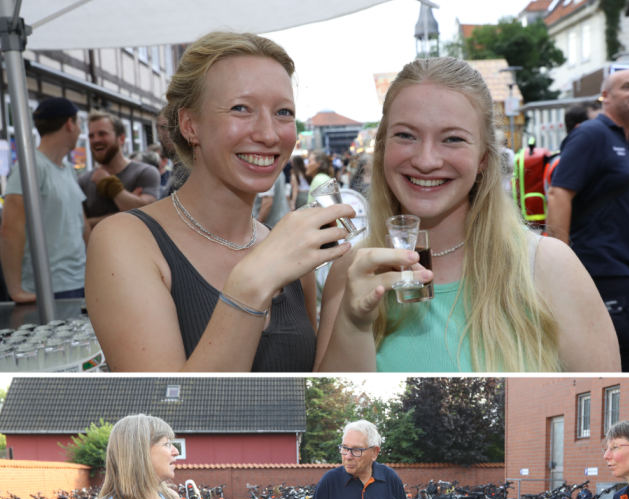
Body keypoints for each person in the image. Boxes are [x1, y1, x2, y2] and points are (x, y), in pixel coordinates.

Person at [84, 31, 365, 372]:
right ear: (190, 125)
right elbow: (170, 406)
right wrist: (253, 280)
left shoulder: (289, 250)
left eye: (283, 112)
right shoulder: (127, 242)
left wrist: (350, 306)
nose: (268, 133)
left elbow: (312, 382)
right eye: (241, 108)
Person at [317, 56, 617, 373]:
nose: (426, 160)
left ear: (484, 159)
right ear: (382, 148)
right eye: (406, 135)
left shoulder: (550, 266)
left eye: (453, 139)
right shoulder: (351, 270)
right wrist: (353, 323)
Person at [546, 69, 629, 372]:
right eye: (626, 87)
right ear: (605, 96)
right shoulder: (590, 134)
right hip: (603, 266)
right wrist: (557, 262)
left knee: (627, 351)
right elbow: (558, 194)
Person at [0, 97, 88, 303]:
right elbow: (9, 230)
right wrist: (16, 291)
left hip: (80, 281)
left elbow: (81, 225)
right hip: (47, 288)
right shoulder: (31, 167)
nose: (80, 131)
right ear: (69, 123)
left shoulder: (67, 169)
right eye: (79, 124)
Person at [79, 111, 160, 234]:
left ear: (121, 139)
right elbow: (79, 226)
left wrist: (109, 184)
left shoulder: (145, 172)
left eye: (102, 134)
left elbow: (148, 215)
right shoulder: (83, 181)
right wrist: (129, 211)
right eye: (91, 136)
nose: (95, 140)